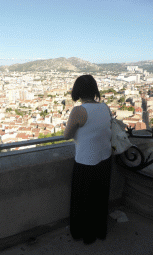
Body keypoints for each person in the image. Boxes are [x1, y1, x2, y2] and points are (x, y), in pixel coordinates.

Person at [64, 75, 112, 245]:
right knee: (99, 198)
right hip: (105, 158)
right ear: (94, 90)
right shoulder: (105, 107)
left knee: (83, 200)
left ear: (77, 91)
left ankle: (84, 234)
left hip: (86, 161)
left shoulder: (79, 111)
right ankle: (100, 231)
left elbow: (66, 135)